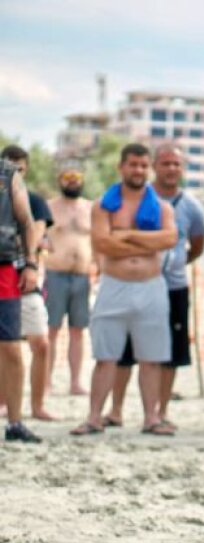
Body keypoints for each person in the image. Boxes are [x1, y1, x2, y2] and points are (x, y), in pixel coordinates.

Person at [70, 143, 178, 437]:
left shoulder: (163, 207)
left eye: (144, 165)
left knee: (152, 357)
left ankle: (151, 417)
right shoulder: (104, 205)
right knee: (106, 356)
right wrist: (147, 240)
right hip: (114, 285)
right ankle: (94, 417)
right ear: (122, 167)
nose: (138, 170)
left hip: (151, 286)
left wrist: (127, 234)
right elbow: (102, 243)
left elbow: (170, 238)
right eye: (133, 164)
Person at [107, 144, 204, 429]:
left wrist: (176, 262)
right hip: (134, 282)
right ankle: (116, 410)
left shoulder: (191, 206)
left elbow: (197, 244)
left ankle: (160, 412)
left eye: (176, 164)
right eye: (165, 163)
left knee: (170, 353)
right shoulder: (136, 198)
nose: (171, 169)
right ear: (154, 166)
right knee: (124, 349)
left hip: (173, 286)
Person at [1, 145, 55, 423]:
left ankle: (26, 413)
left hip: (13, 271)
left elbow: (31, 226)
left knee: (25, 345)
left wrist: (31, 264)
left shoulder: (19, 186)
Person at [0, 145, 40, 442]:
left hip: (4, 268)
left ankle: (14, 423)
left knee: (11, 348)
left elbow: (26, 222)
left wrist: (30, 265)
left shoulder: (8, 173)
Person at [45, 168, 94, 397]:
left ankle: (75, 382)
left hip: (82, 275)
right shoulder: (50, 207)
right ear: (60, 180)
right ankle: (46, 380)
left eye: (76, 179)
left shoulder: (90, 208)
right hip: (55, 273)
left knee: (78, 331)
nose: (72, 182)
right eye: (68, 178)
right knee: (51, 330)